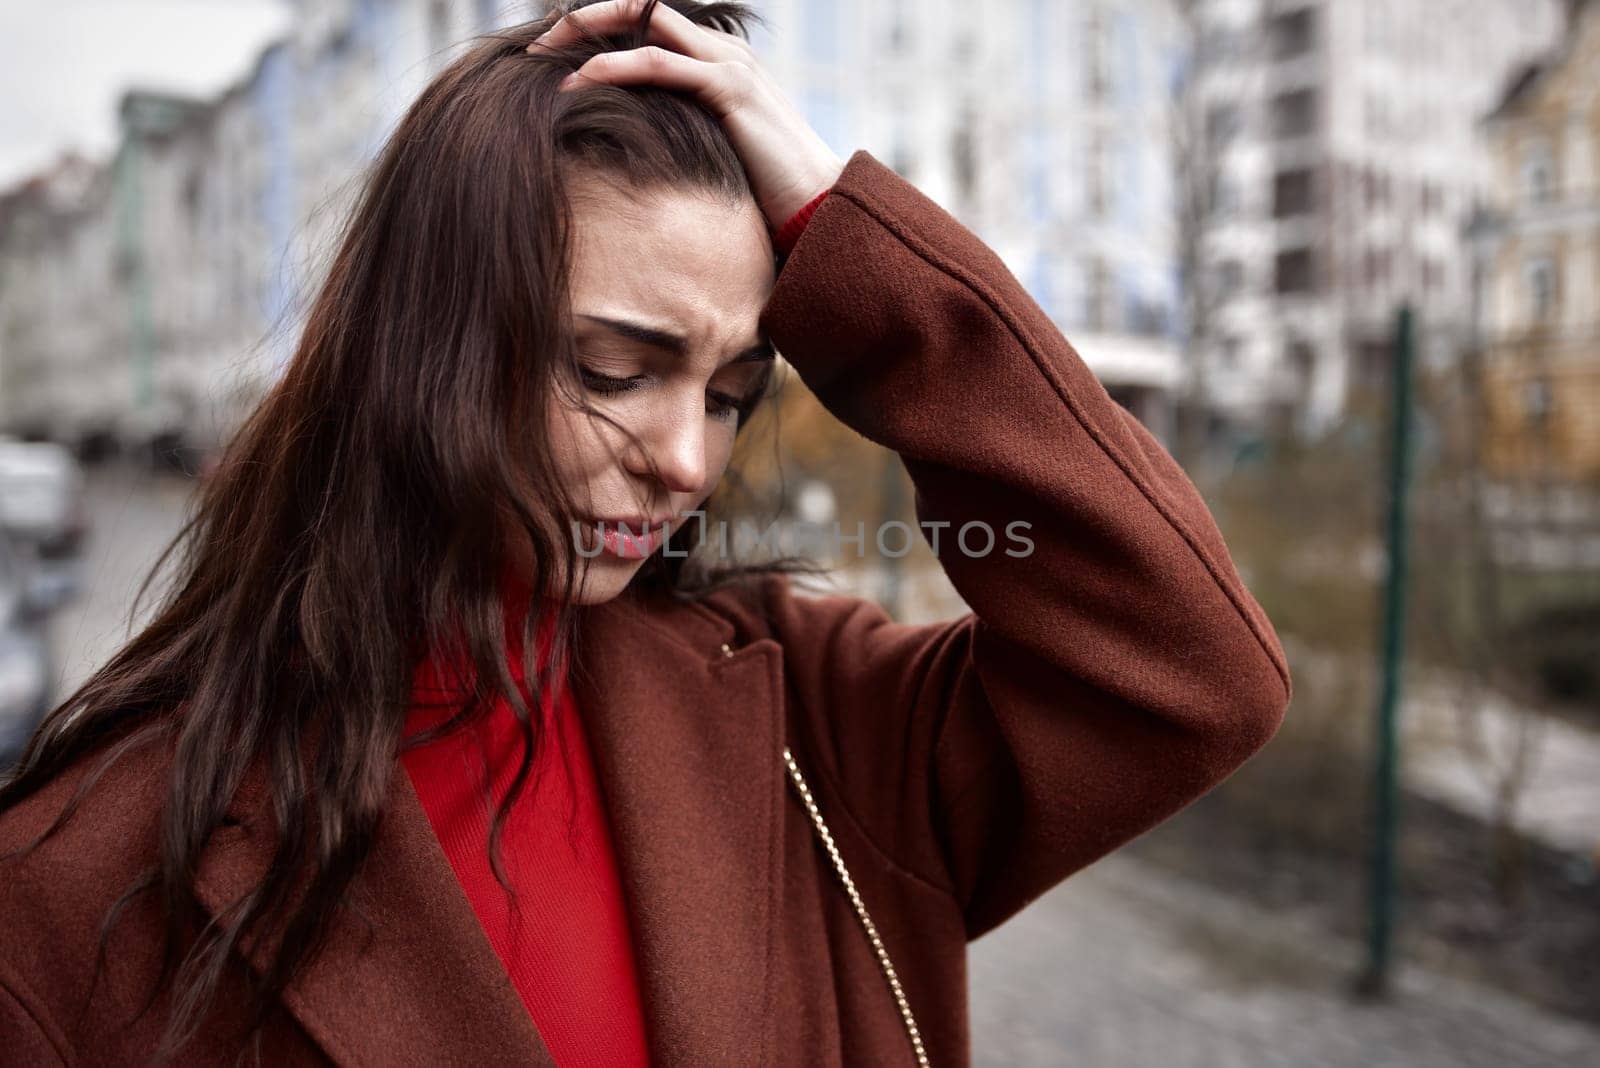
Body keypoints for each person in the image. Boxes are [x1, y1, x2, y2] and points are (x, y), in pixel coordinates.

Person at [0, 2, 1293, 1065]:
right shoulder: (79, 883)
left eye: (733, 394)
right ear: (419, 352)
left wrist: (856, 246)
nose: (686, 460)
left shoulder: (812, 723)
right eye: (614, 370)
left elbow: (1192, 671)